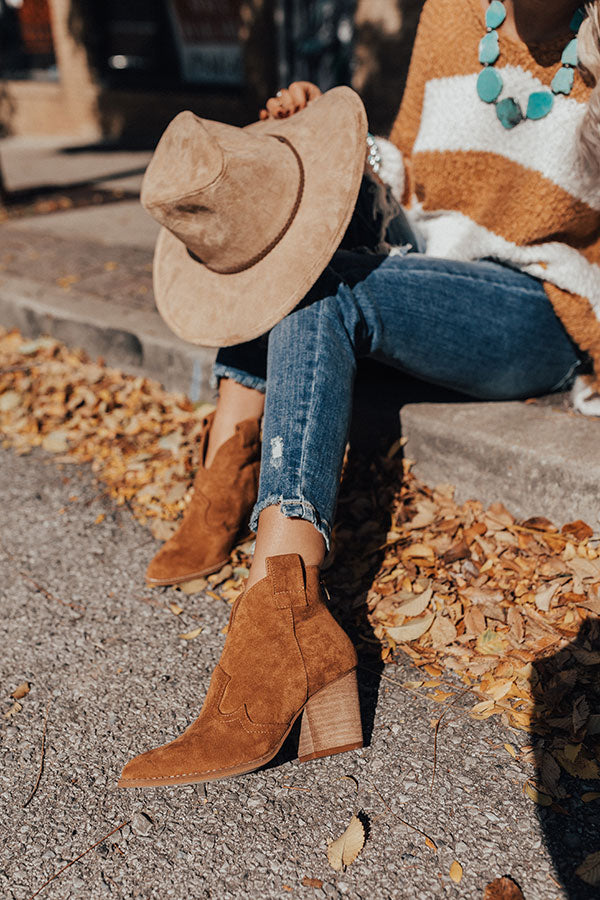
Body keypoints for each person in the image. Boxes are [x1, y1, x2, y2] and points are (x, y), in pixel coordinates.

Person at [119, 0, 600, 787]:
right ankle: (234, 473)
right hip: (426, 274)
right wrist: (328, 144)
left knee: (320, 288)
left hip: (534, 305)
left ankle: (280, 601)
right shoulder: (453, 14)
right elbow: (409, 169)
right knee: (280, 216)